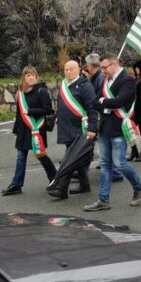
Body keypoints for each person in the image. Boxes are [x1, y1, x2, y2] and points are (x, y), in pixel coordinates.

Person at [84, 54, 141, 211]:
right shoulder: (106, 80)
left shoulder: (127, 80)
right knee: (105, 164)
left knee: (119, 164)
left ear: (114, 64)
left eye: (104, 67)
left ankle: (139, 187)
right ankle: (103, 199)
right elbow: (94, 102)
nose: (102, 71)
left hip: (119, 127)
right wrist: (106, 104)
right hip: (105, 126)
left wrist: (104, 102)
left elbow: (120, 101)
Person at [2, 66, 57, 196]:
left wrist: (31, 111)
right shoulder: (20, 93)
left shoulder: (42, 91)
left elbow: (48, 110)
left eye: (33, 75)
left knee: (41, 156)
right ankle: (16, 184)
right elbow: (19, 114)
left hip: (36, 129)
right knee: (21, 157)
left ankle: (55, 178)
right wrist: (15, 130)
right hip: (23, 130)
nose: (31, 77)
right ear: (23, 78)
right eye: (28, 75)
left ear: (36, 77)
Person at [54, 60, 98, 197]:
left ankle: (61, 189)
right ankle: (85, 185)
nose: (68, 72)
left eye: (71, 69)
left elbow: (93, 109)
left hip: (80, 129)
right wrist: (57, 116)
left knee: (69, 157)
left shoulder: (85, 86)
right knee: (76, 157)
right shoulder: (64, 86)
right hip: (66, 127)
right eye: (66, 69)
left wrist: (92, 128)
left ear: (78, 69)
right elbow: (61, 105)